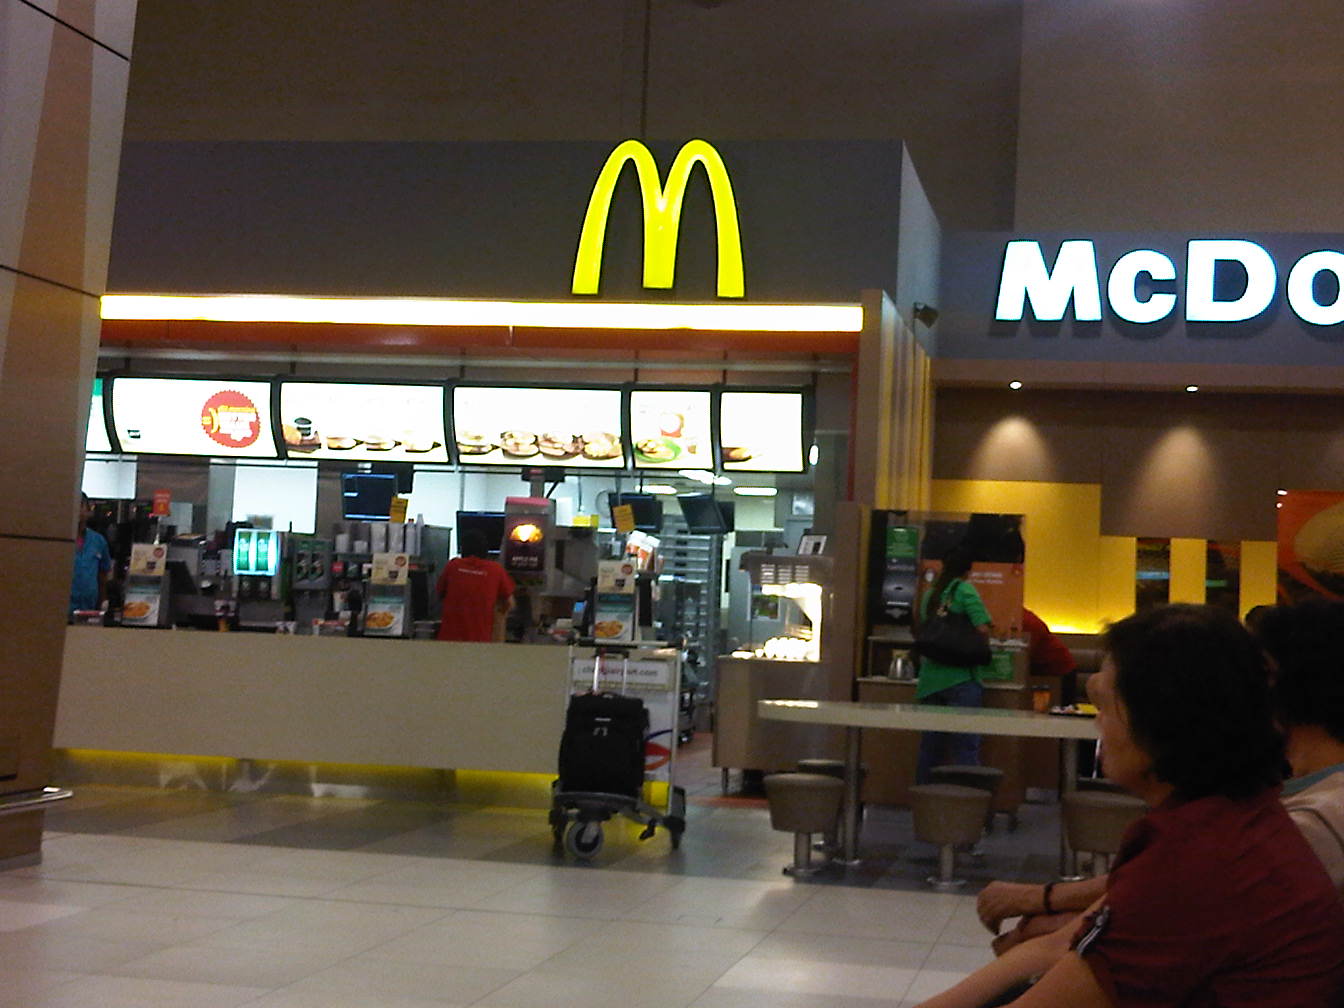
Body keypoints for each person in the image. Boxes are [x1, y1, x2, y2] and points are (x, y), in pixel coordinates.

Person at [919, 603, 1344, 1008]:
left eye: (1108, 705)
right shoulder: (1235, 821)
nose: (1098, 723)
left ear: (1163, 720)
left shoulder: (1198, 862)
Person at [915, 544, 993, 782]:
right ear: (968, 570)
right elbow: (982, 627)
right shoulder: (965, 589)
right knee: (965, 746)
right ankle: (966, 799)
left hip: (930, 681)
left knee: (930, 748)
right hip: (961, 679)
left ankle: (925, 796)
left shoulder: (930, 594)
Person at [434, 529, 514, 642]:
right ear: (485, 550)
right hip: (481, 641)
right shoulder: (496, 570)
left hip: (449, 640)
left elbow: (439, 593)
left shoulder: (453, 566)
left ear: (463, 549)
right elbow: (509, 603)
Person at [69, 493, 112, 615]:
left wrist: (103, 602)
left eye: (80, 506)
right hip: (62, 607)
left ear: (88, 510)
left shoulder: (98, 540)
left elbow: (102, 575)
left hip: (88, 609)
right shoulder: (60, 540)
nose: (77, 511)